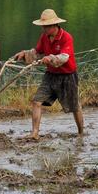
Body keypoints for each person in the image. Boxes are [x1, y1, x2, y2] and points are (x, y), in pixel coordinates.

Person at [13, 9, 84, 140]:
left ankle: (81, 133)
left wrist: (50, 58)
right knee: (36, 101)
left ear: (54, 26)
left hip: (67, 76)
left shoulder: (66, 37)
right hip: (50, 75)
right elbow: (37, 52)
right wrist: (25, 54)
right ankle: (35, 133)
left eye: (45, 26)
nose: (43, 29)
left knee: (74, 106)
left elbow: (64, 57)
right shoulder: (44, 37)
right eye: (42, 26)